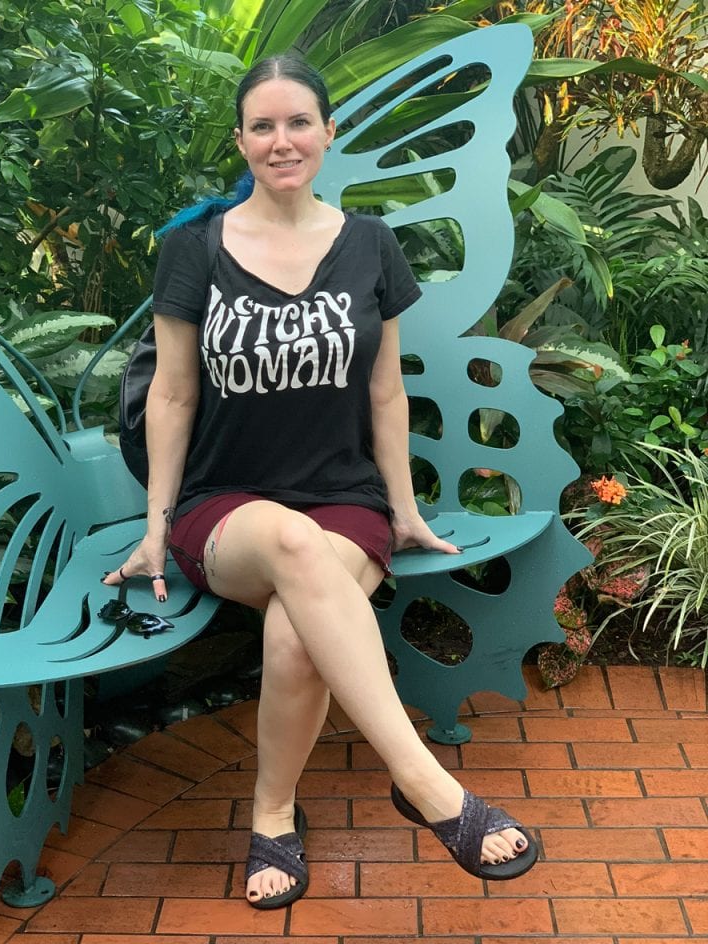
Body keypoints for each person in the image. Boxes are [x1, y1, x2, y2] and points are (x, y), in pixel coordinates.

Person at [103, 54, 538, 909]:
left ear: (328, 132)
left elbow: (385, 387)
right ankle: (427, 786)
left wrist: (404, 508)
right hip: (223, 508)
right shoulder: (194, 250)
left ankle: (272, 818)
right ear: (240, 141)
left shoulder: (371, 243)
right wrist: (156, 525)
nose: (282, 140)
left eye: (298, 122)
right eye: (262, 126)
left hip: (346, 500)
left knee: (296, 636)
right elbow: (174, 390)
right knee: (292, 543)